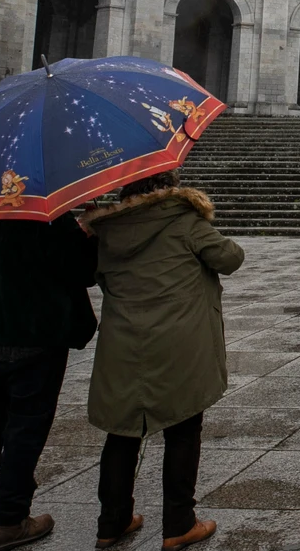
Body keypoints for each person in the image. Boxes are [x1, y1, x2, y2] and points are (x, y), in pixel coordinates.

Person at [83, 171, 244, 550]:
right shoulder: (184, 221)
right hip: (179, 342)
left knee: (121, 433)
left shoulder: (108, 231)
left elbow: (94, 276)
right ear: (169, 187)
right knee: (183, 430)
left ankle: (112, 522)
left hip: (124, 345)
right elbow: (231, 258)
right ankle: (178, 523)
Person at [0, 210, 97, 550]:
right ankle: (10, 520)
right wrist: (90, 235)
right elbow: (85, 272)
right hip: (35, 338)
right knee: (25, 429)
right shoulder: (51, 220)